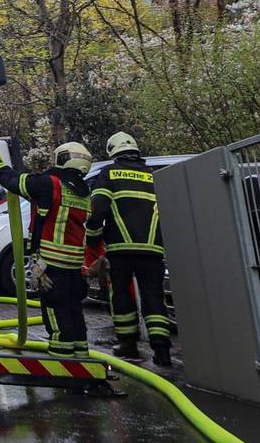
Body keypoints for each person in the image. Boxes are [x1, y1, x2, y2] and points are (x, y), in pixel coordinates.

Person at [0, 141, 94, 357]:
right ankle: (81, 354)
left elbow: (14, 182)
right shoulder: (84, 193)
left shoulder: (51, 183)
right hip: (75, 265)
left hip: (51, 262)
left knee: (55, 309)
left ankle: (62, 357)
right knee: (73, 309)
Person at [87, 131, 173, 367]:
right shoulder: (152, 176)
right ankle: (162, 351)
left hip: (120, 248)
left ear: (112, 151)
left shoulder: (109, 174)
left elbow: (97, 210)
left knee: (121, 295)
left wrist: (93, 238)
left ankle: (128, 344)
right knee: (154, 298)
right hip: (153, 249)